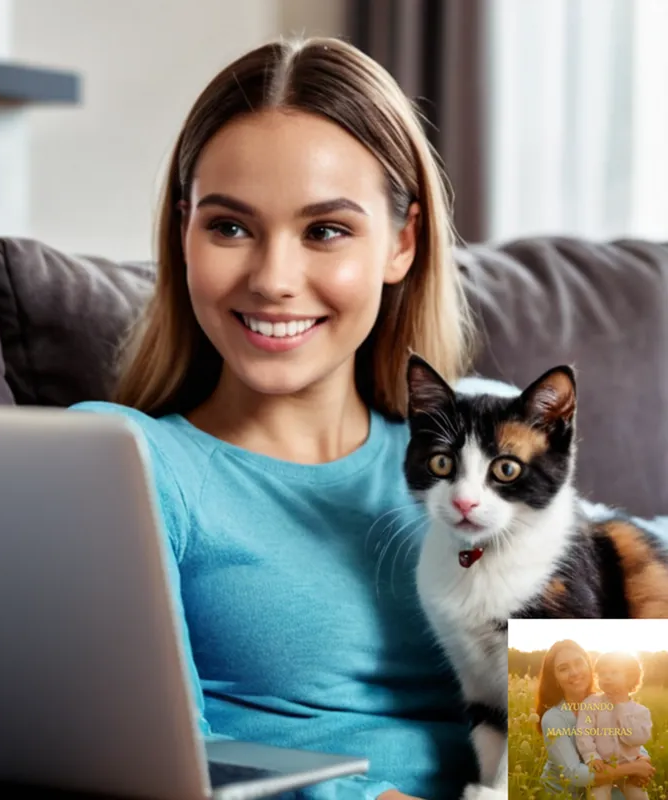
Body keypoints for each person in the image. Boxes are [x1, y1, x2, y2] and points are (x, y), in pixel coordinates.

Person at [72, 34, 490, 800]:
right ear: (183, 230)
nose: (273, 279)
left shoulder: (478, 455)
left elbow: (597, 712)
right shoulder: (123, 459)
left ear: (403, 240)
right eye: (229, 227)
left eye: (325, 230)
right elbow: (152, 762)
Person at [536, 641, 655, 798]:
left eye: (579, 663)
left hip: (608, 781)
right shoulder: (553, 718)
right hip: (566, 793)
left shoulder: (608, 701)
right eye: (563, 669)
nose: (574, 672)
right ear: (555, 678)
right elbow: (574, 774)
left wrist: (643, 759)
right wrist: (633, 768)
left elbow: (628, 739)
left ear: (589, 666)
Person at [575, 652, 653, 800]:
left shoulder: (641, 712)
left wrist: (620, 708)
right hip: (602, 767)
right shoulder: (591, 703)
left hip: (629, 769)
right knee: (597, 796)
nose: (607, 677)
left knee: (640, 797)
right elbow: (584, 732)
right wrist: (591, 757)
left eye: (614, 672)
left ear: (630, 677)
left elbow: (636, 739)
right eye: (602, 673)